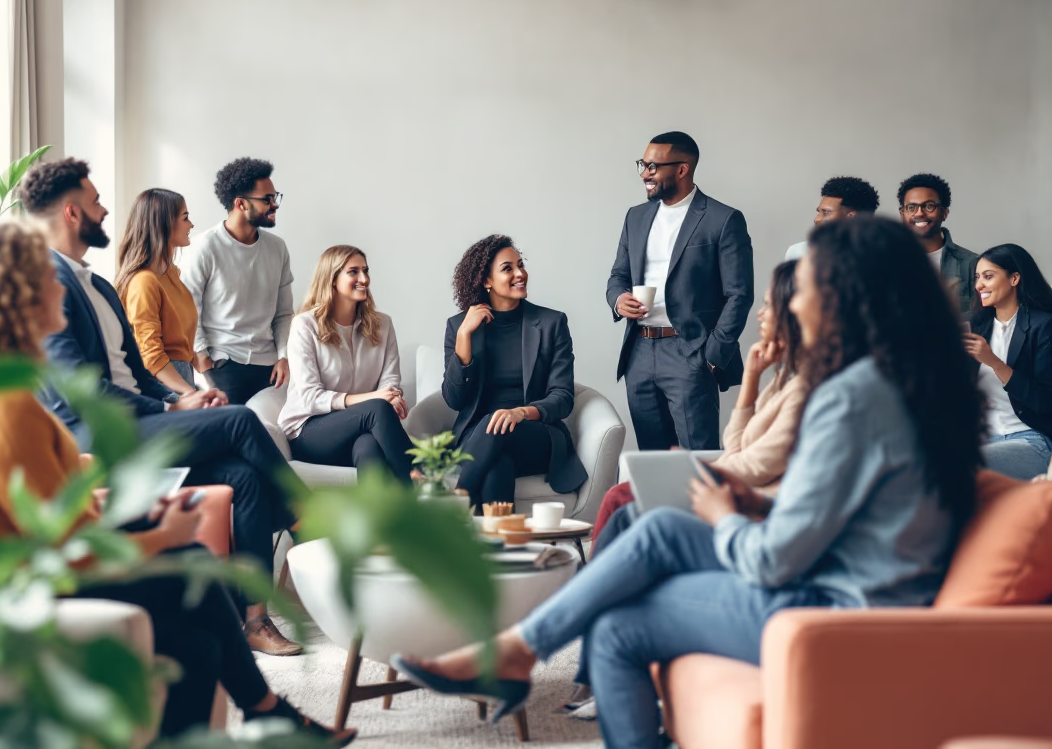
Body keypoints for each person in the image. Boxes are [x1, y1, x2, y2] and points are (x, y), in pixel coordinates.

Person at [393, 218, 982, 749]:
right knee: (655, 530)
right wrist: (747, 499)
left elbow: (775, 560)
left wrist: (727, 514)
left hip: (832, 605)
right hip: (848, 577)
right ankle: (515, 652)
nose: (790, 303)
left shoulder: (851, 396)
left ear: (848, 299)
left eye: (806, 288)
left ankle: (512, 649)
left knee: (621, 627)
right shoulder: (915, 382)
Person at [0, 221, 354, 745]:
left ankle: (262, 711)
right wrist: (161, 537)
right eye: (45, 279)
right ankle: (266, 708)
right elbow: (60, 547)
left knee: (198, 639)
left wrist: (147, 521)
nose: (60, 286)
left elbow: (61, 507)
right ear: (15, 298)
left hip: (34, 569)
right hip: (19, 588)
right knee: (192, 559)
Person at [18, 158, 303, 656]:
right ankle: (309, 523)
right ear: (70, 212)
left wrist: (180, 396)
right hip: (97, 437)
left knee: (245, 476)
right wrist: (167, 410)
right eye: (95, 202)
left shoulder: (99, 286)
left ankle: (254, 621)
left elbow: (141, 368)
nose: (106, 209)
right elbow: (78, 390)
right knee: (240, 418)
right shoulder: (45, 284)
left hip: (143, 420)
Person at [591, 259, 809, 546]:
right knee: (623, 505)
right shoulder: (783, 380)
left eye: (769, 306)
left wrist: (693, 471)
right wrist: (753, 376)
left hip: (744, 501)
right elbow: (734, 445)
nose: (761, 314)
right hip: (643, 347)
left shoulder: (807, 391)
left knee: (622, 499)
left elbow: (757, 465)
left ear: (796, 314)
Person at [606, 131, 753, 451]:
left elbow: (739, 294)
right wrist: (619, 300)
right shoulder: (636, 216)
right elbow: (618, 274)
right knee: (652, 458)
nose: (645, 173)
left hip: (690, 352)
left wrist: (711, 357)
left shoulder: (723, 219)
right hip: (639, 352)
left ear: (682, 169)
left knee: (696, 460)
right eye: (643, 165)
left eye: (653, 167)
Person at [442, 235, 586, 509]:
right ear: (486, 280)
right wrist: (464, 337)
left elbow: (562, 396)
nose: (520, 274)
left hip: (535, 433)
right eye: (508, 268)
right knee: (497, 466)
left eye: (520, 265)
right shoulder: (459, 326)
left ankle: (454, 509)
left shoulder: (552, 323)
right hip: (480, 440)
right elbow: (454, 400)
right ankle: (497, 547)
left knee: (493, 425)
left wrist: (520, 412)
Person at [278, 245, 413, 480]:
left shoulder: (383, 324)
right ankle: (418, 478)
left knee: (368, 446)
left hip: (363, 428)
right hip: (310, 431)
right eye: (353, 272)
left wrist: (393, 397)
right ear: (332, 279)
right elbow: (310, 397)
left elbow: (390, 381)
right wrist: (375, 399)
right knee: (377, 409)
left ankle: (386, 515)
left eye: (366, 271)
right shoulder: (304, 325)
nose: (364, 279)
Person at [182, 157, 293, 405]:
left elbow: (284, 313)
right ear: (240, 204)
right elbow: (188, 310)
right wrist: (201, 356)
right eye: (267, 199)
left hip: (271, 368)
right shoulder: (205, 247)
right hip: (224, 365)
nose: (274, 205)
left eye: (276, 197)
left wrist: (284, 356)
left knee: (275, 435)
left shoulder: (277, 248)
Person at [966, 244, 1052, 480]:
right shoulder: (978, 328)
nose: (978, 285)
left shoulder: (1043, 327)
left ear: (1014, 278)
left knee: (963, 465)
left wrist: (993, 362)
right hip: (982, 438)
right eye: (977, 277)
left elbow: (1045, 400)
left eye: (988, 276)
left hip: (1029, 438)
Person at [116, 188, 208, 396]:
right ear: (164, 224)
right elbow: (151, 356)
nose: (191, 225)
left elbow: (178, 339)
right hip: (164, 385)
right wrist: (189, 393)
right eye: (185, 218)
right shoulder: (144, 282)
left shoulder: (171, 275)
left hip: (181, 378)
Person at [896, 173, 976, 316]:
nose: (919, 213)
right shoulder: (885, 262)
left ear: (944, 213)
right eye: (911, 207)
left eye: (929, 206)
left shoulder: (971, 263)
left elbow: (982, 319)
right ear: (902, 214)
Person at [784, 176, 879, 261]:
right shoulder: (799, 252)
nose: (817, 219)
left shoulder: (881, 254)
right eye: (819, 212)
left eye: (826, 213)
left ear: (851, 217)